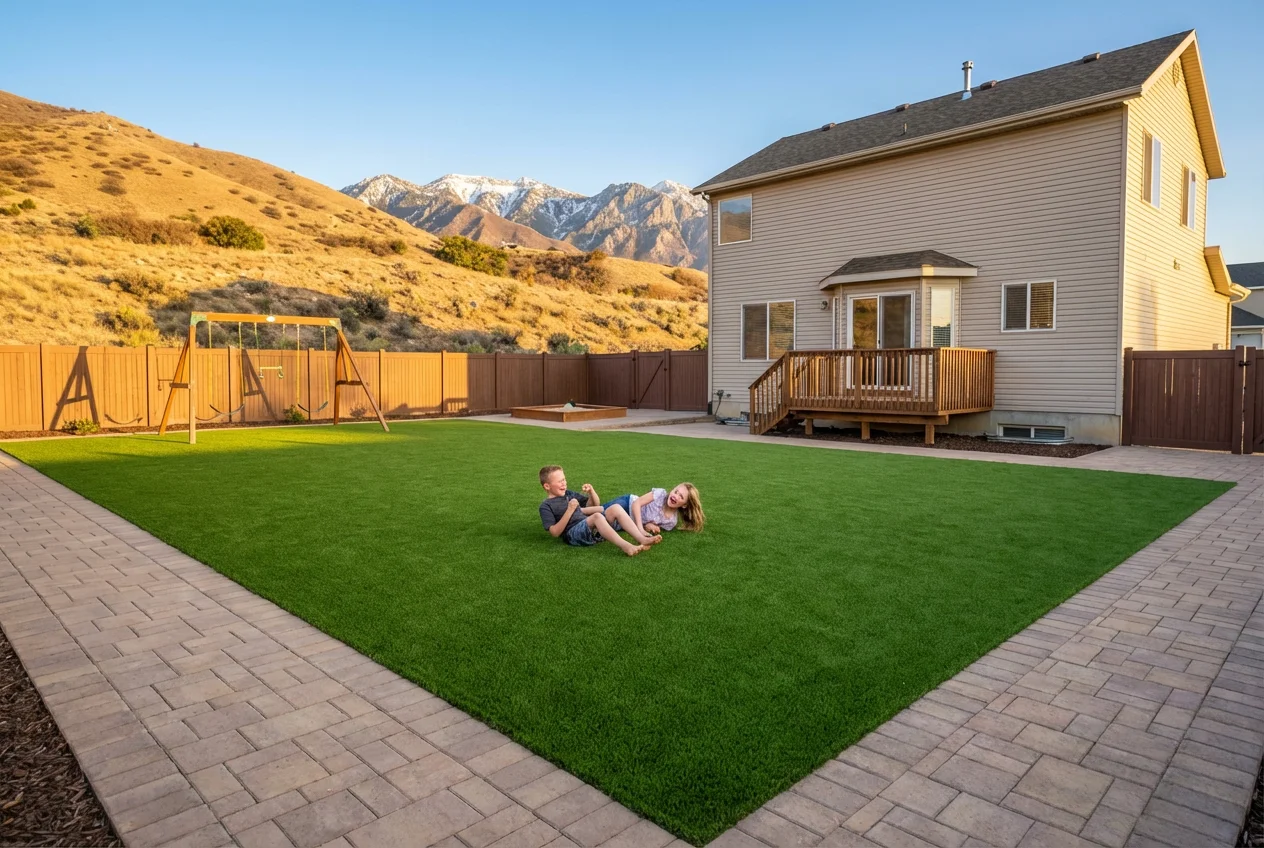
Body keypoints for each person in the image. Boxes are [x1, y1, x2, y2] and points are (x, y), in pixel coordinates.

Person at [538, 466, 661, 557]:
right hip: (572, 535)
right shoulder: (546, 506)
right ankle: (627, 547)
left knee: (615, 507)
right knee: (596, 516)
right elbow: (554, 532)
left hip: (588, 527)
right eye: (560, 481)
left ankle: (641, 538)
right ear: (547, 486)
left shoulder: (568, 494)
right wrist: (569, 510)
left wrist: (591, 492)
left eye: (564, 479)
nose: (564, 483)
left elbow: (594, 504)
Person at [599, 483, 705, 536]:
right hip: (628, 504)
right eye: (676, 491)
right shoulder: (660, 494)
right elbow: (637, 503)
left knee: (604, 527)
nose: (675, 496)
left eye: (681, 497)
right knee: (601, 513)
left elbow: (651, 524)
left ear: (684, 505)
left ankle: (586, 508)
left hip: (629, 521)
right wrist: (640, 529)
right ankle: (585, 506)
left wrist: (648, 526)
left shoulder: (671, 522)